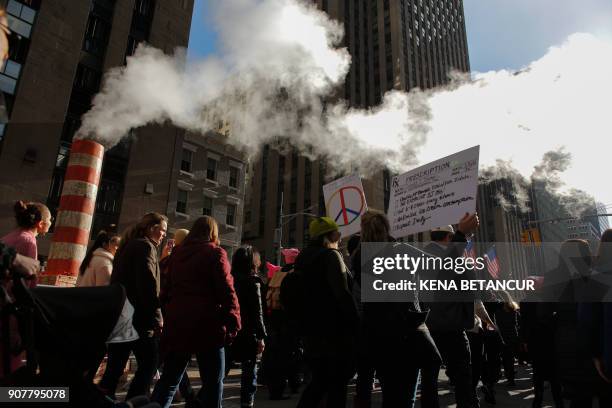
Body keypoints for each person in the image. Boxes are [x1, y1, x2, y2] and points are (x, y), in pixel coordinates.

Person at [151, 216, 241, 408]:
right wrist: (234, 322)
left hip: (178, 325)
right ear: (213, 233)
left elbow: (165, 291)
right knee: (213, 383)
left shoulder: (175, 255)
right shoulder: (216, 253)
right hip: (207, 326)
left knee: (169, 381)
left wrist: (168, 315)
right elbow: (227, 291)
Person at [355, 210, 441, 408]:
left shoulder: (359, 257)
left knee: (391, 395)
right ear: (386, 228)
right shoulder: (400, 250)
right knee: (406, 396)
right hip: (406, 334)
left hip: (377, 337)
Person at [98, 213, 167, 400]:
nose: (163, 235)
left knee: (114, 367)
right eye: (162, 231)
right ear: (152, 228)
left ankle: (105, 398)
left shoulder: (128, 246)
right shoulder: (146, 246)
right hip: (139, 317)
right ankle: (134, 401)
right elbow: (148, 284)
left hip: (121, 313)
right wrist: (157, 315)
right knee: (150, 361)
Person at [295, 217, 359, 408]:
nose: (339, 237)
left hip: (310, 330)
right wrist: (356, 321)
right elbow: (342, 294)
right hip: (334, 331)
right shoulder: (331, 256)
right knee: (336, 383)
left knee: (320, 380)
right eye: (337, 233)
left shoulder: (302, 257)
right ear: (328, 235)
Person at [423, 214, 482, 408]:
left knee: (429, 381)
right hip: (451, 325)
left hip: (429, 327)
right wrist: (462, 234)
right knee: (463, 381)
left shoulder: (420, 256)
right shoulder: (442, 257)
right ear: (448, 238)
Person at [229, 246, 267, 408]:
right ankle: (247, 402)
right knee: (249, 369)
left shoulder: (228, 279)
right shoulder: (253, 282)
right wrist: (261, 336)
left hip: (230, 330)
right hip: (249, 333)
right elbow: (257, 313)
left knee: (222, 369)